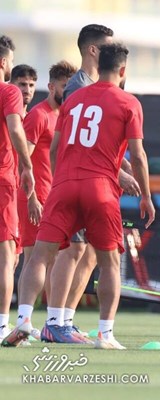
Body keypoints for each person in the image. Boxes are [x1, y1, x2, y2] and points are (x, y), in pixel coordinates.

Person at [2, 43, 155, 349]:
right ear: (123, 70)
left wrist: (60, 181)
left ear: (98, 67)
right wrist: (146, 196)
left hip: (64, 185)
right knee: (109, 261)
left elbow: (56, 149)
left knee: (40, 256)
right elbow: (137, 156)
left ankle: (24, 321)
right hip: (100, 187)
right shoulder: (128, 103)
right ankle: (105, 334)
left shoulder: (73, 100)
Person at [45, 24, 139, 337]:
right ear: (94, 51)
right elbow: (78, 145)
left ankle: (65, 321)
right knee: (72, 251)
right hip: (85, 183)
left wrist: (119, 162)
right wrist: (121, 172)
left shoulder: (94, 88)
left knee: (87, 255)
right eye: (108, 46)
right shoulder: (79, 88)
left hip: (85, 182)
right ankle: (55, 321)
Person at [16, 61, 77, 335]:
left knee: (55, 262)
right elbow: (23, 160)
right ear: (52, 86)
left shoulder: (66, 117)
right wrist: (31, 198)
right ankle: (22, 322)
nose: (70, 91)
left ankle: (54, 323)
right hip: (36, 198)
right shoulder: (39, 116)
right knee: (32, 259)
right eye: (65, 86)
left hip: (57, 199)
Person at [0, 35, 35, 342]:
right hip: (3, 180)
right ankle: (0, 326)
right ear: (3, 62)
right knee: (6, 255)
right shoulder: (8, 91)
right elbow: (14, 128)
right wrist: (26, 164)